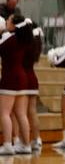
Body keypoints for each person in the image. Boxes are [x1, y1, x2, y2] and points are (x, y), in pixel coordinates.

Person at [0, 15, 32, 155]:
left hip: (10, 78)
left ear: (14, 25)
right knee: (21, 114)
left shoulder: (10, 39)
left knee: (4, 113)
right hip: (22, 78)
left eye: (9, 20)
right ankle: (26, 145)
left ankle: (7, 145)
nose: (6, 21)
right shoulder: (23, 39)